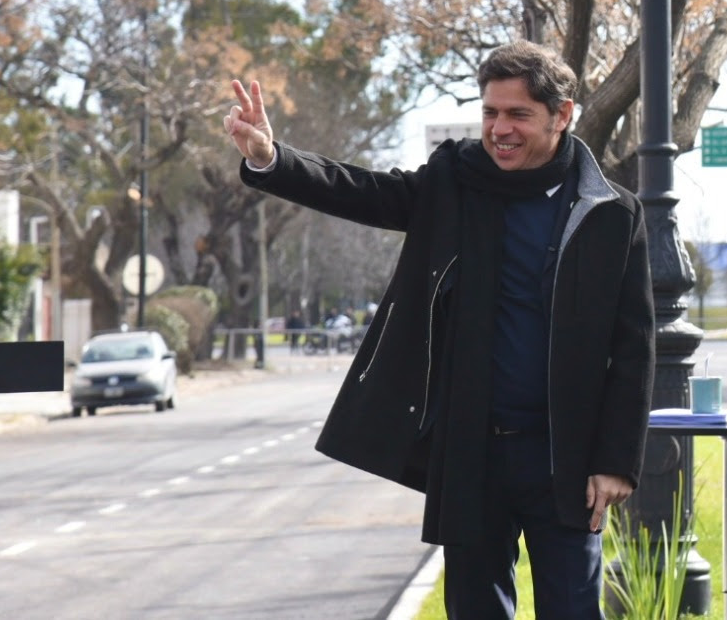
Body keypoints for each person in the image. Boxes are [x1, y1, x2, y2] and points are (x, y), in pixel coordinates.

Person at [222, 41, 655, 619]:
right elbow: (363, 191)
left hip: (566, 460)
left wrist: (615, 459)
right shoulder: (454, 179)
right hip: (470, 450)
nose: (499, 129)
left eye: (518, 115)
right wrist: (273, 158)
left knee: (575, 610)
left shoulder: (611, 212)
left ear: (563, 115)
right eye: (490, 113)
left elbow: (634, 347)